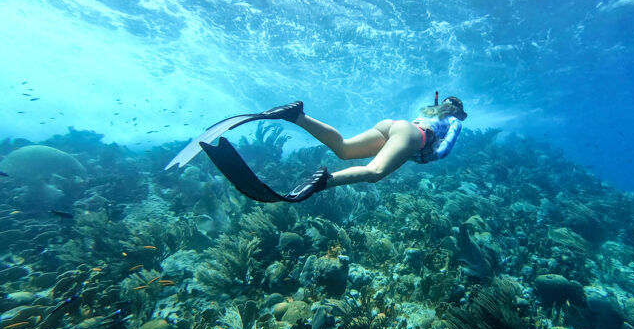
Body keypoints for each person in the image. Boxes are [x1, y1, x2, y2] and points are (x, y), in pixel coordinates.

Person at [166, 95, 467, 203]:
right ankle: (324, 181)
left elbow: (411, 125)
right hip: (415, 136)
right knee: (375, 172)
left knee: (345, 149)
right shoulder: (454, 119)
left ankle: (296, 114)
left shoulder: (430, 108)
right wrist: (426, 157)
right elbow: (445, 149)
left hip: (394, 125)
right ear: (458, 111)